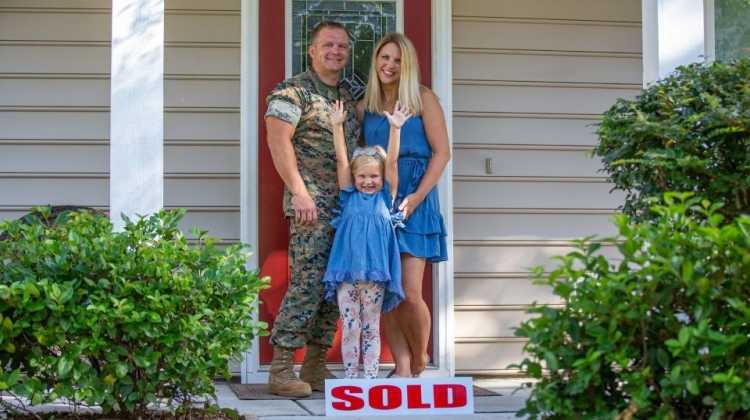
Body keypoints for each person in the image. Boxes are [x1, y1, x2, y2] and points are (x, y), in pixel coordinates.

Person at [264, 21, 359, 397]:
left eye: (342, 47)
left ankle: (315, 367)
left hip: (348, 207)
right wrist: (299, 193)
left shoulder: (350, 96)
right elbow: (278, 142)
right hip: (312, 205)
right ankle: (281, 369)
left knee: (336, 285)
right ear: (312, 50)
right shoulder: (293, 92)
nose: (336, 51)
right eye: (328, 45)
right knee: (306, 283)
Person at [357, 33, 451, 378]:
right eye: (384, 58)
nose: (389, 65)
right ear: (376, 62)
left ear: (407, 65)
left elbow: (442, 153)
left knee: (410, 290)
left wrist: (417, 197)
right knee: (387, 289)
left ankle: (421, 354)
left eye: (397, 60)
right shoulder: (364, 106)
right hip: (379, 201)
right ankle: (402, 364)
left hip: (417, 198)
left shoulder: (424, 99)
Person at [322, 100, 410, 379]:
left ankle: (370, 379)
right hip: (346, 272)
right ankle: (351, 378)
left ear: (382, 178)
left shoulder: (386, 198)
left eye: (374, 176)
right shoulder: (348, 197)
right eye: (362, 176)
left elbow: (392, 162)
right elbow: (341, 161)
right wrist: (337, 126)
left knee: (371, 325)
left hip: (375, 273)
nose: (368, 181)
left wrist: (395, 130)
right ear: (355, 177)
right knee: (349, 326)